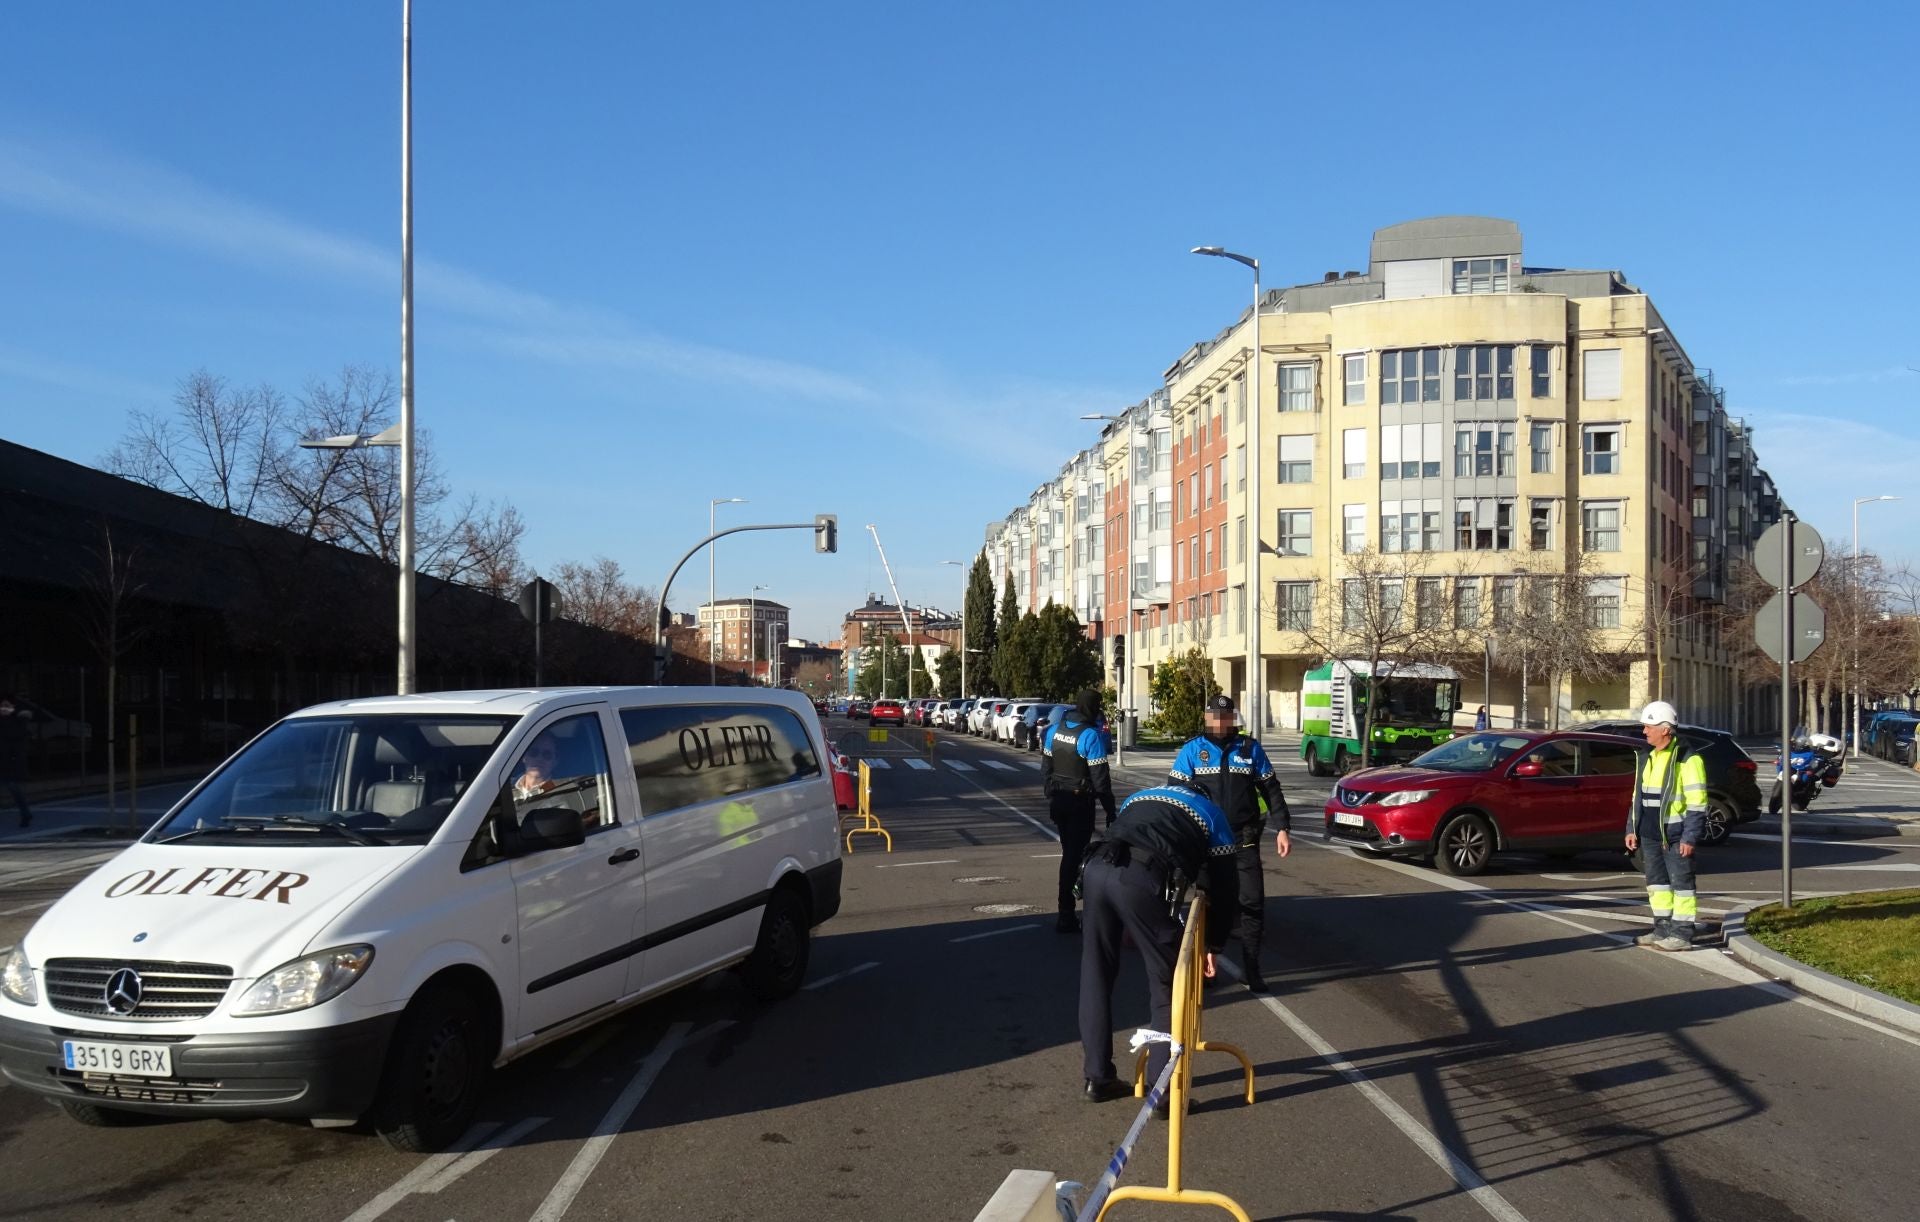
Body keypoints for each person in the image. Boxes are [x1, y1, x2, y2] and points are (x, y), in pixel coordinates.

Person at [1078, 779, 1237, 1104]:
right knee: (1167, 985)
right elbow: (1225, 886)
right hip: (1140, 878)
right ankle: (1162, 1094)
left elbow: (1123, 831)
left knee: (1095, 975)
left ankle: (1097, 1078)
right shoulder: (1212, 814)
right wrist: (1213, 945)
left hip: (1096, 868)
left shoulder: (1141, 795)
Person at [1167, 694, 1291, 992]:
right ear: (1207, 718)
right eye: (1215, 717)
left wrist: (1282, 827)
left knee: (1252, 902)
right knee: (1208, 903)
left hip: (1242, 839)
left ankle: (1251, 968)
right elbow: (1175, 796)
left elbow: (1271, 788)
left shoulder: (1249, 749)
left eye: (1225, 717)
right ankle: (1207, 965)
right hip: (1207, 842)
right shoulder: (1192, 751)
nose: (1220, 723)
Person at [1625, 700, 1708, 952]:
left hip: (1675, 834)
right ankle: (1662, 929)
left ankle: (1682, 934)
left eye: (1648, 726)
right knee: (1657, 884)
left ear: (1665, 729)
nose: (1644, 731)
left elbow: (1697, 802)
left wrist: (1689, 836)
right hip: (1650, 833)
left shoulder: (1687, 759)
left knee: (1681, 885)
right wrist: (1631, 828)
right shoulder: (1647, 756)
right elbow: (1636, 797)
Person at [1042, 688, 1118, 933]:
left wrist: (1051, 794)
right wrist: (1110, 811)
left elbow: (1046, 769)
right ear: (1093, 707)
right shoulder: (1090, 736)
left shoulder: (1053, 731)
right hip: (1079, 804)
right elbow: (1101, 781)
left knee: (1069, 854)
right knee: (1076, 858)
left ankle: (1068, 910)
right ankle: (1067, 912)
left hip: (1059, 803)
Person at [0, 696, 31, 829]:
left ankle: (25, 813)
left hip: (9, 761)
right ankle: (25, 813)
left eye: (7, 706)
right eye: (2, 706)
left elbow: (19, 742)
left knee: (13, 787)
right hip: (5, 759)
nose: (4, 709)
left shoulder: (17, 722)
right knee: (13, 787)